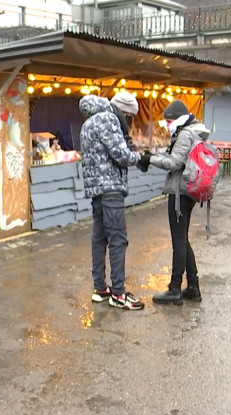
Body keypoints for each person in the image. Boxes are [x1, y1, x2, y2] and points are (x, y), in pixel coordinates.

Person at [137, 100, 209, 305]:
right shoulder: (196, 132)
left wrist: (150, 158)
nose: (167, 125)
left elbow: (174, 162)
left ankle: (174, 289)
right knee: (183, 240)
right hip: (190, 190)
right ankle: (193, 287)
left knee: (178, 241)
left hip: (180, 191)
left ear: (176, 119)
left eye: (169, 121)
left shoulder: (185, 134)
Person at [79, 95, 144, 310]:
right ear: (123, 112)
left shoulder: (89, 121)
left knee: (99, 238)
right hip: (111, 189)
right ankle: (118, 293)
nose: (130, 122)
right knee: (118, 240)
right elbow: (120, 155)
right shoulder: (108, 119)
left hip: (96, 190)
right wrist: (140, 157)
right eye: (130, 117)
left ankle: (100, 288)